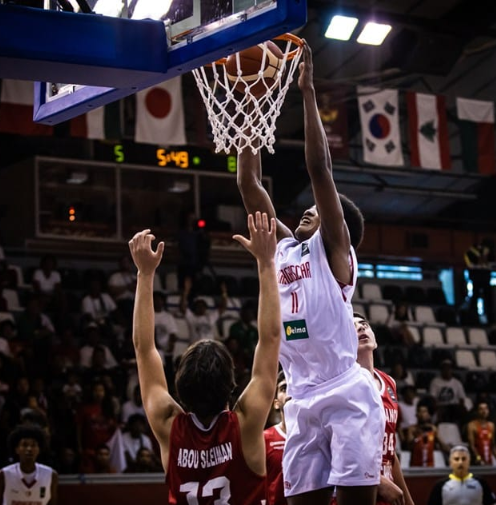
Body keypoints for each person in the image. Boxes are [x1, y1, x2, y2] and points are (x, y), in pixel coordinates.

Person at [236, 39, 384, 505]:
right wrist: (248, 110)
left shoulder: (334, 251)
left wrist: (305, 93)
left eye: (318, 211)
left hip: (346, 395)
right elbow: (248, 183)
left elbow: (320, 168)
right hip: (298, 398)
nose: (306, 212)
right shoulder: (284, 248)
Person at [128, 212, 281, 504]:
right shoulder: (246, 423)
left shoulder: (167, 425)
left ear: (181, 386)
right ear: (231, 384)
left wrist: (144, 275)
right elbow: (271, 338)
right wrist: (266, 261)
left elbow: (144, 348)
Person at [353, 313, 413, 505]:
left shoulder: (389, 382)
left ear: (376, 339)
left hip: (389, 489)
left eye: (364, 324)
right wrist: (377, 481)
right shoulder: (343, 383)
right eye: (352, 326)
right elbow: (333, 446)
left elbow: (389, 451)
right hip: (357, 488)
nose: (361, 328)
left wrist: (409, 500)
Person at [0, 424, 58, 505]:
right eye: (25, 445)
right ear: (17, 449)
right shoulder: (3, 475)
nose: (29, 449)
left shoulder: (50, 475)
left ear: (39, 449)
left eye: (33, 445)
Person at [427, 446, 496, 505]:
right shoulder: (440, 485)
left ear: (469, 462)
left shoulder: (481, 482)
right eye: (456, 459)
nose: (460, 462)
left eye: (464, 459)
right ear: (450, 463)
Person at [263, 371, 289, 505]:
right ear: (276, 403)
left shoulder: (319, 435)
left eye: (294, 385)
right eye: (284, 388)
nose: (290, 392)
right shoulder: (264, 439)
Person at [406, 402, 450, 468]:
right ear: (417, 414)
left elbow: (444, 448)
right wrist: (417, 437)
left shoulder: (433, 429)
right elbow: (408, 447)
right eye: (420, 412)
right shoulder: (412, 429)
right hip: (415, 467)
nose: (423, 414)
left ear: (428, 415)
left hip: (429, 467)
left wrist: (437, 436)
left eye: (425, 412)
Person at [464, 240, 493, 324]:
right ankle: (473, 318)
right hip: (476, 278)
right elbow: (470, 266)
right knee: (475, 298)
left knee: (488, 299)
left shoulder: (488, 252)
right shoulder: (470, 253)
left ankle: (489, 319)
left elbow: (489, 265)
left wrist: (484, 258)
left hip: (485, 278)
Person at [466, 401, 496, 466]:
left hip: (488, 460)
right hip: (476, 462)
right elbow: (472, 446)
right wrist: (479, 459)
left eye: (486, 408)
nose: (484, 411)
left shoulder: (491, 425)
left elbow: (493, 445)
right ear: (477, 411)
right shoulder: (471, 425)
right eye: (481, 409)